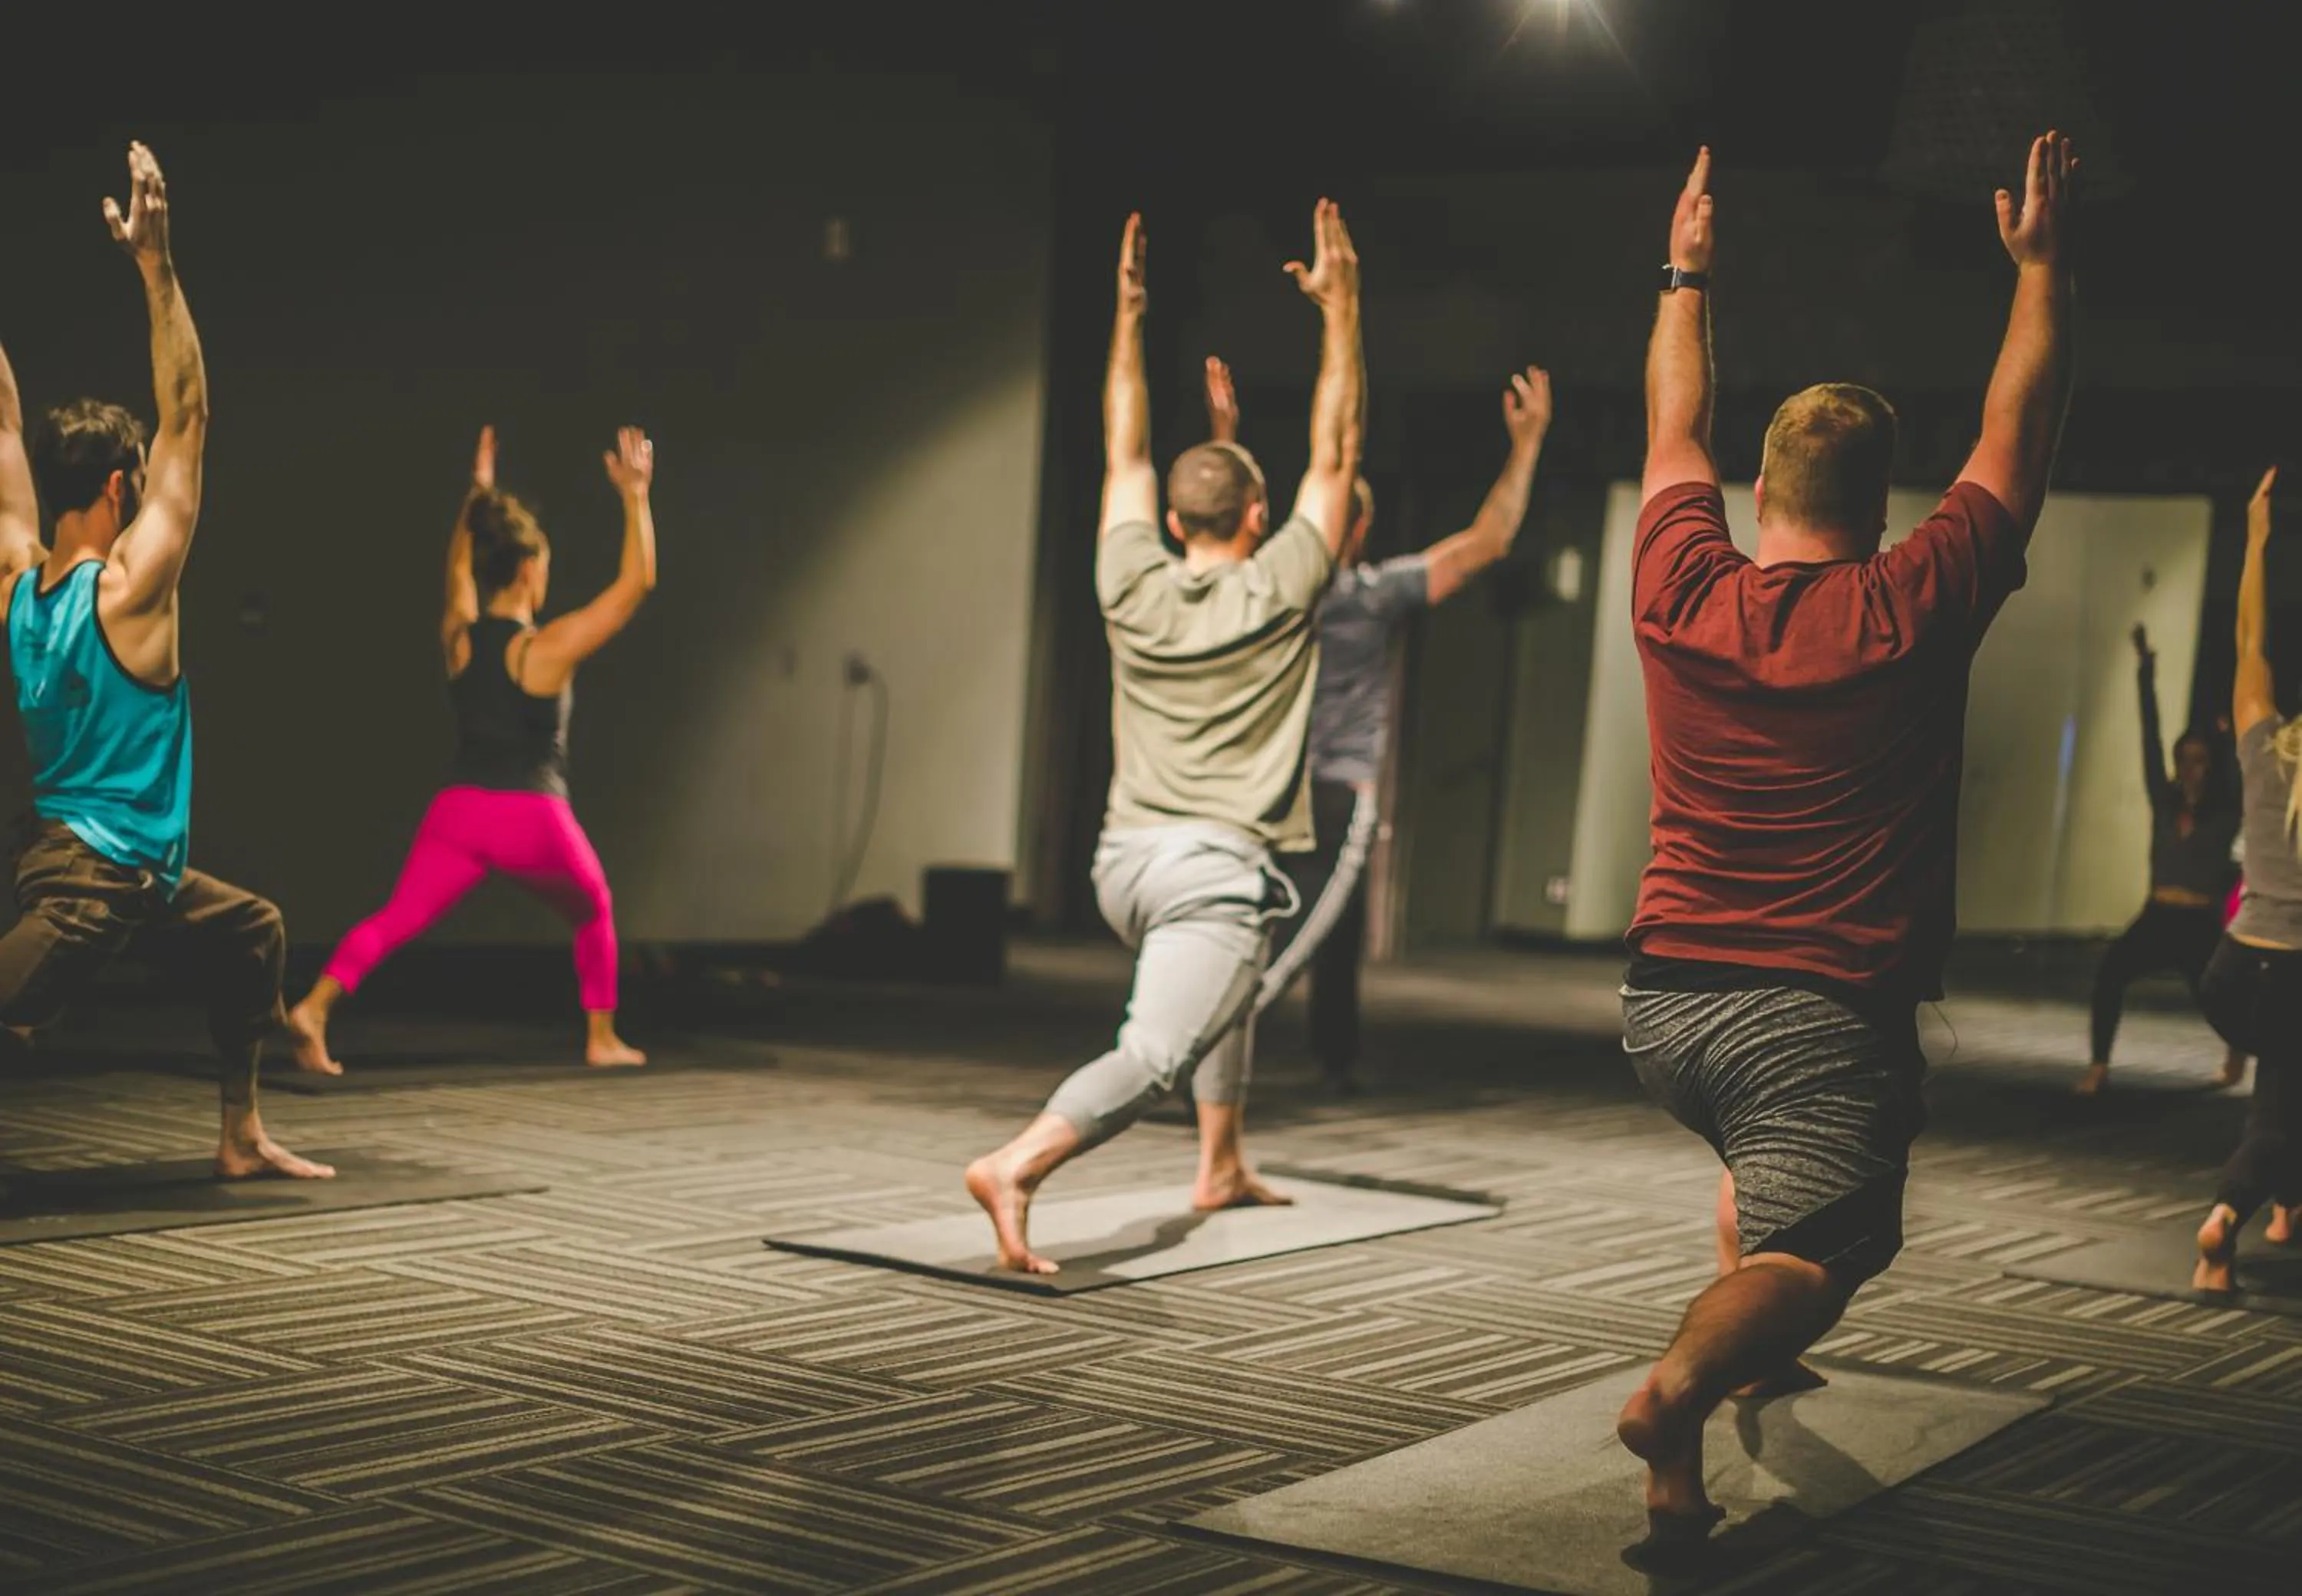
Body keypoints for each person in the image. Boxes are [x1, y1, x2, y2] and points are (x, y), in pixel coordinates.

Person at [1614, 136, 2075, 1536]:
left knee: (1776, 1169)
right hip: (1813, 1013)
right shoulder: (1915, 600)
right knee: (1842, 1234)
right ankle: (1679, 1391)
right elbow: (2018, 432)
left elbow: (1670, 425)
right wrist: (2042, 268)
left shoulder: (1680, 583)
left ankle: (1730, 1365)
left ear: (1760, 499)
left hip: (1659, 1008)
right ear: (1884, 511)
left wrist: (1686, 269)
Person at [965, 201, 1364, 1274]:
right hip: (1209, 872)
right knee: (1154, 1053)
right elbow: (1340, 444)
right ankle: (1018, 1166)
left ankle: (1221, 1160)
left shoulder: (1126, 577)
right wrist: (1343, 309)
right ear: (1258, 515)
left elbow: (1124, 443)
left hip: (1122, 864)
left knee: (1228, 982)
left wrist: (1127, 318)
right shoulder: (1284, 586)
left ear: (1172, 520)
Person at [0, 144, 331, 1178]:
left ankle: (240, 1135)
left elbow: (2, 422)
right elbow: (189, 417)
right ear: (112, 486)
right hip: (92, 884)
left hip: (109, 860)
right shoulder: (132, 588)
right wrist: (156, 265)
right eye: (135, 482)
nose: (148, 492)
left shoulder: (15, 578)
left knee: (254, 933)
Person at [1202, 354, 1552, 1095]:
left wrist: (1223, 434)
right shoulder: (1342, 591)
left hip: (1282, 786)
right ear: (1356, 525)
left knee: (1297, 928)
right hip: (1313, 789)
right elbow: (1488, 541)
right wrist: (1525, 446)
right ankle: (1203, 1048)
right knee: (1289, 936)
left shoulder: (1290, 585)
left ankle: (1312, 1058)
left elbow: (1220, 520)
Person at [285, 424, 656, 1072]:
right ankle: (601, 1039)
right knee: (594, 906)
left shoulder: (459, 635)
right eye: (545, 565)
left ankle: (314, 1008)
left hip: (458, 813)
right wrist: (636, 497)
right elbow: (636, 585)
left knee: (396, 916)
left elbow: (457, 565)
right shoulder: (545, 647)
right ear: (528, 568)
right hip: (533, 817)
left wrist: (476, 498)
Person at [2194, 467, 2302, 1288]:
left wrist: (2258, 536)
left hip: (2230, 974)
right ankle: (2225, 1218)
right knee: (2279, 1113)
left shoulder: (2265, 741)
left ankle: (2283, 1206)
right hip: (2293, 972)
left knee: (2285, 1085)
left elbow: (2248, 637)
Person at [2074, 622, 2244, 1096]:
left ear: (2210, 768)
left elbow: (2233, 766)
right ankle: (2099, 1067)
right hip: (2158, 915)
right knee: (2110, 974)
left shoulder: (2224, 811)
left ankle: (2236, 1054)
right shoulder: (2165, 802)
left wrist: (2226, 737)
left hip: (2199, 922)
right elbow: (2149, 741)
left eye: (2200, 761)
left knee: (2220, 998)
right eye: (2185, 759)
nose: (2191, 768)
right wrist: (2145, 673)